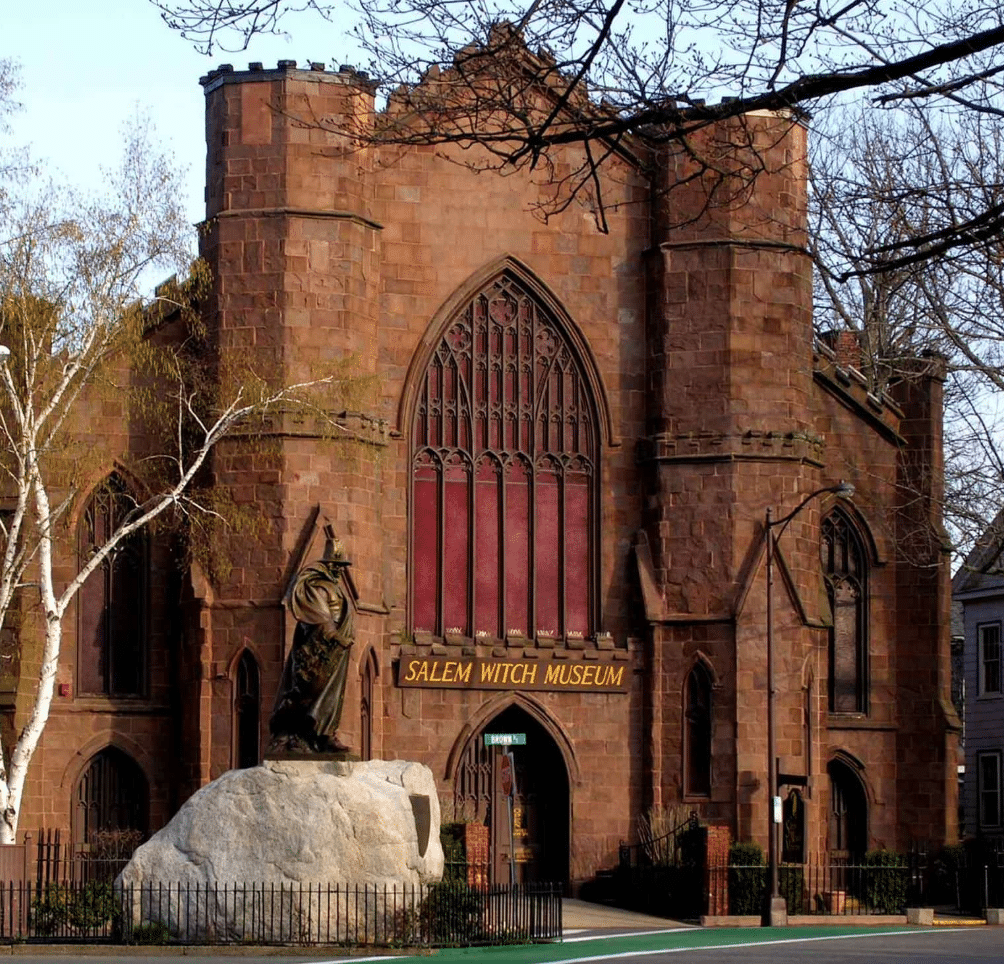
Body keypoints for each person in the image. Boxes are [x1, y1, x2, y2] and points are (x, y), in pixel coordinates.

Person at [268, 548, 354, 753]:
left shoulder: (336, 589)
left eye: (341, 566)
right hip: (319, 648)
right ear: (326, 565)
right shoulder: (314, 587)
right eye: (335, 565)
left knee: (332, 694)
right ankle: (295, 734)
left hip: (337, 649)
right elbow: (317, 617)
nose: (338, 570)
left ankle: (325, 734)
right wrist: (334, 636)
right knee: (307, 691)